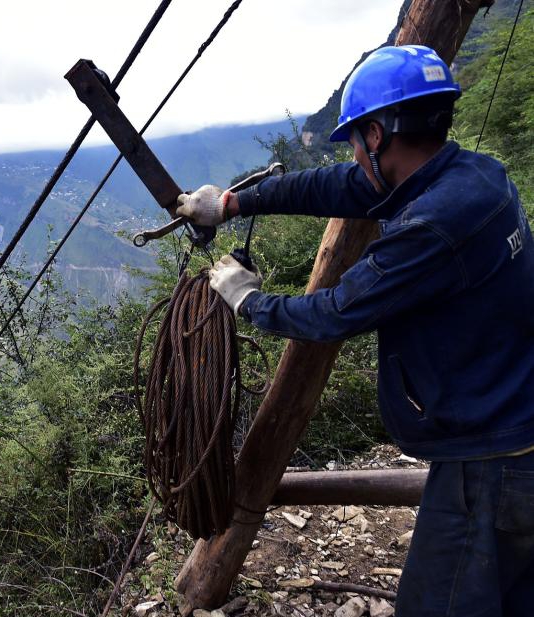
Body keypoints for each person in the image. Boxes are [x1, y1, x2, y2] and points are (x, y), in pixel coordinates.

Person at [178, 45, 534, 616]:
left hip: (490, 463)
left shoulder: (434, 226)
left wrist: (246, 300)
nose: (353, 155)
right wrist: (232, 202)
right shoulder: (471, 177)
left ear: (377, 133)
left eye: (353, 140)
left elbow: (334, 312)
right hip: (514, 426)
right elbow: (336, 187)